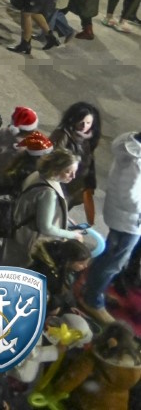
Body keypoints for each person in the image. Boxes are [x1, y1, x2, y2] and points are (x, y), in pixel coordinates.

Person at [82, 131, 141, 323]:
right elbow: (129, 197)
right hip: (129, 220)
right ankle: (92, 300)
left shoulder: (133, 151)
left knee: (111, 257)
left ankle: (93, 289)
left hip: (128, 218)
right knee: (113, 261)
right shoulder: (135, 162)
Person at [3, 149, 93, 268]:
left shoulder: (37, 175)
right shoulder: (48, 193)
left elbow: (35, 207)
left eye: (74, 172)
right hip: (28, 241)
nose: (73, 176)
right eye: (68, 172)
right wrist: (73, 235)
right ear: (55, 169)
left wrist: (63, 217)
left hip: (18, 232)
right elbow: (46, 228)